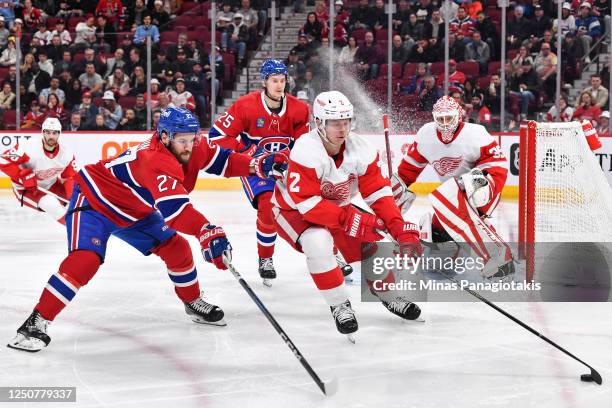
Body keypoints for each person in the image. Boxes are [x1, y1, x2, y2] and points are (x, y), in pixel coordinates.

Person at [6, 107, 289, 352]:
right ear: (164, 137)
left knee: (177, 249)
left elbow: (224, 161)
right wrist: (206, 230)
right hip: (95, 199)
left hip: (135, 209)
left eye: (193, 139)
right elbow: (176, 212)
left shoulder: (192, 144)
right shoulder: (155, 160)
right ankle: (35, 323)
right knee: (85, 260)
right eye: (182, 141)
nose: (189, 146)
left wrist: (256, 165)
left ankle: (192, 303)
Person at [272, 91, 423, 340]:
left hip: (335, 209)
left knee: (371, 247)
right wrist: (355, 220)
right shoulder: (306, 149)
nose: (342, 129)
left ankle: (387, 294)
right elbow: (308, 206)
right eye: (334, 123)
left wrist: (399, 228)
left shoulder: (360, 148)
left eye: (346, 122)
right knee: (318, 243)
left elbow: (378, 192)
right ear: (319, 123)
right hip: (293, 211)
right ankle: (339, 304)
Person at [208, 59, 312, 285]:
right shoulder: (246, 106)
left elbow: (305, 144)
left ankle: (331, 252)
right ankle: (266, 259)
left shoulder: (299, 109)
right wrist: (247, 151)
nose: (279, 85)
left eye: (282, 80)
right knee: (267, 204)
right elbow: (216, 137)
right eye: (274, 81)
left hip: (287, 167)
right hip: (255, 168)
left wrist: (291, 160)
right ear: (264, 81)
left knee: (311, 205)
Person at [392, 95, 512, 280]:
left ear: (459, 116)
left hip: (483, 189)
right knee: (433, 230)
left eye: (449, 118)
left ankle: (497, 254)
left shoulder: (475, 133)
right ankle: (448, 265)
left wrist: (478, 182)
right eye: (441, 119)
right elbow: (408, 170)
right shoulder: (426, 135)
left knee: (443, 195)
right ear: (434, 118)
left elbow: (498, 165)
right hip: (452, 198)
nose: (445, 124)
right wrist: (391, 193)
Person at [0, 118, 76, 225]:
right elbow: (3, 160)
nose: (51, 136)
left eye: (54, 133)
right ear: (42, 132)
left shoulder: (67, 154)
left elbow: (69, 178)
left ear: (59, 134)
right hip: (26, 189)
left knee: (79, 202)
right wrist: (21, 175)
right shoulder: (27, 147)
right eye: (47, 132)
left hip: (51, 185)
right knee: (51, 204)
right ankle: (78, 232)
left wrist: (73, 198)